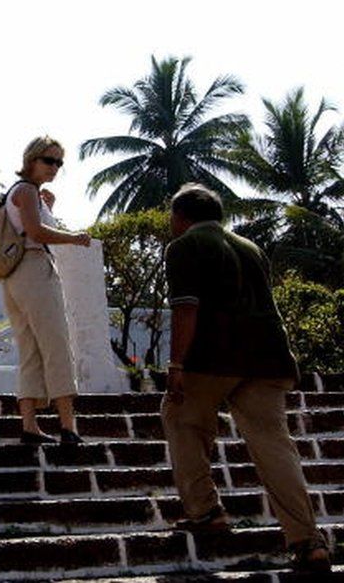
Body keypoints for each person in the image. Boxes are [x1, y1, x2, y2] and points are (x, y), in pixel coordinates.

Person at [161, 183, 330, 573]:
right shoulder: (250, 247)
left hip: (214, 356)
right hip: (269, 358)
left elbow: (186, 309)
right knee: (274, 446)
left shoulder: (184, 246)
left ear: (181, 217)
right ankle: (307, 541)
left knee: (179, 415)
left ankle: (205, 511)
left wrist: (175, 367)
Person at [0, 136, 90, 444]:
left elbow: (32, 226)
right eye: (49, 160)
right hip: (34, 268)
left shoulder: (26, 193)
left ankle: (30, 426)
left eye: (59, 162)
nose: (54, 167)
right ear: (32, 159)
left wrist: (48, 208)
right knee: (56, 345)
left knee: (31, 349)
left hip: (16, 274)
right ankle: (68, 425)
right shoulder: (26, 190)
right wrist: (74, 238)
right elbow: (36, 232)